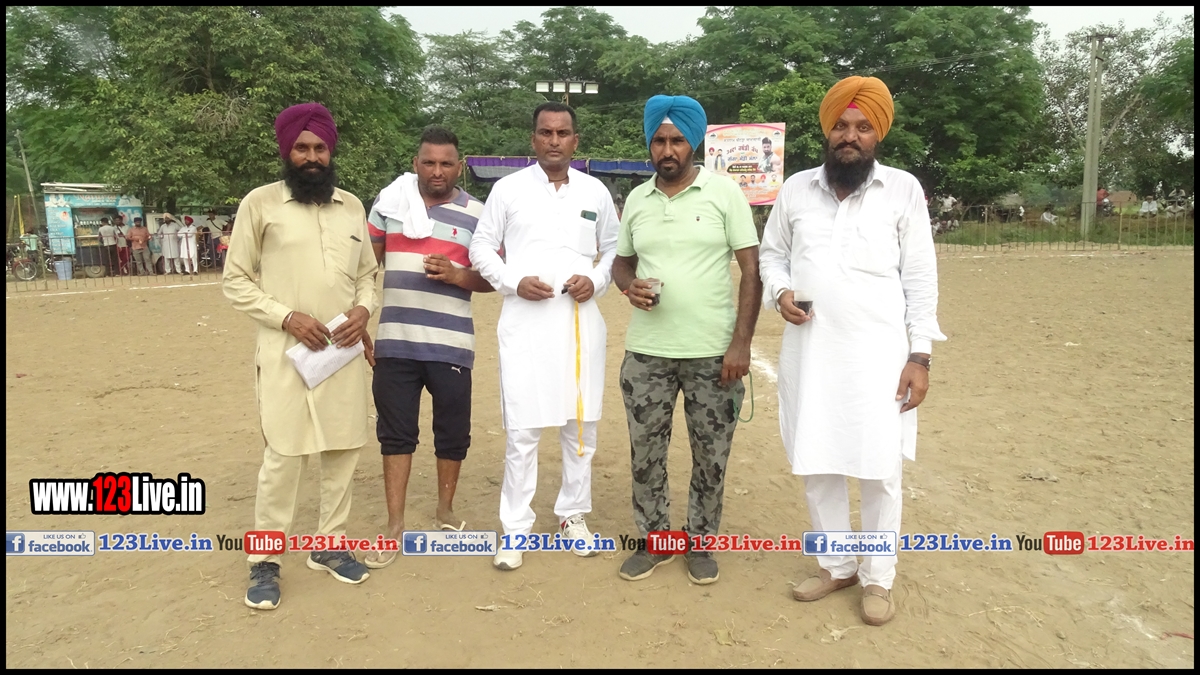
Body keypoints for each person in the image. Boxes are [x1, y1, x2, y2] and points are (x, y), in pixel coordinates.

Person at [758, 76, 946, 627]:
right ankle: (836, 565)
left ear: (877, 134)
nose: (850, 136)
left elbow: (920, 277)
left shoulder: (903, 189)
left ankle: (878, 576)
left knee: (880, 468)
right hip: (811, 352)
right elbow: (772, 255)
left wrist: (920, 356)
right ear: (828, 130)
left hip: (880, 357)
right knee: (817, 457)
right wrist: (781, 292)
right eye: (841, 125)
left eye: (863, 127)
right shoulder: (796, 189)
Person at [223, 102, 379, 610]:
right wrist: (286, 316)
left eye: (320, 148)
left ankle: (330, 545)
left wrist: (363, 309)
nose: (312, 157)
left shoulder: (351, 206)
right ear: (286, 151)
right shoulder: (260, 204)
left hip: (340, 351)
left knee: (343, 448)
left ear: (331, 151)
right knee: (284, 456)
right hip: (285, 352)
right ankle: (265, 561)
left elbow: (367, 274)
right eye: (302, 148)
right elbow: (235, 280)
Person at [612, 95, 762, 586]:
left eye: (677, 140)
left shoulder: (724, 193)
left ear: (693, 142)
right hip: (647, 353)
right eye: (659, 140)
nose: (667, 149)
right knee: (646, 454)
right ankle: (656, 541)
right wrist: (628, 285)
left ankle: (700, 543)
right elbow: (622, 262)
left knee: (711, 456)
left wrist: (741, 344)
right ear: (649, 144)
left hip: (713, 354)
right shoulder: (638, 199)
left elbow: (751, 270)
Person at [469, 102, 619, 571]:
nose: (554, 140)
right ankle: (515, 528)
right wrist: (514, 281)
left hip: (579, 324)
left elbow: (615, 248)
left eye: (563, 133)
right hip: (525, 326)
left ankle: (573, 515)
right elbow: (480, 246)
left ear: (576, 141)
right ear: (533, 139)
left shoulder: (595, 191)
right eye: (546, 132)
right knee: (523, 431)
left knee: (581, 427)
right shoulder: (508, 189)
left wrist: (596, 279)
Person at [360, 126, 493, 569]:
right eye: (429, 162)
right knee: (395, 433)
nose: (437, 171)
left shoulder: (478, 213)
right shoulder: (389, 205)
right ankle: (394, 524)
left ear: (461, 166)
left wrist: (457, 275)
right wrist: (359, 319)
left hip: (451, 343)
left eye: (446, 163)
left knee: (452, 433)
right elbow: (364, 268)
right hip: (395, 340)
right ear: (415, 163)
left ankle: (445, 512)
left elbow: (493, 278)